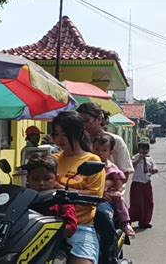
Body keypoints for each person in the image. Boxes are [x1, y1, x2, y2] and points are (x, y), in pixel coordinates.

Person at [52, 111, 106, 264]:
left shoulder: (92, 160)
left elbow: (94, 197)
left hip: (80, 226)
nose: (59, 139)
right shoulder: (52, 160)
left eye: (64, 134)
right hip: (48, 223)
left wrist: (61, 188)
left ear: (76, 133)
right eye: (56, 134)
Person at [92, 133, 135, 237]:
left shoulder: (111, 167)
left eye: (104, 150)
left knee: (119, 201)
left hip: (109, 194)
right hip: (92, 194)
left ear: (110, 152)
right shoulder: (89, 164)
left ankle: (125, 222)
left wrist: (118, 191)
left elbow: (119, 180)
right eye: (97, 150)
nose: (100, 153)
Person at [25, 153, 77, 238]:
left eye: (47, 179)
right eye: (35, 179)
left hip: (54, 246)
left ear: (56, 179)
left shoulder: (62, 200)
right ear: (27, 178)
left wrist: (49, 230)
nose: (41, 183)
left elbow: (70, 228)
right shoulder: (23, 198)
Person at [76, 103, 134, 179]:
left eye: (86, 120)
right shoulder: (77, 141)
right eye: (80, 121)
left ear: (99, 119)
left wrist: (107, 184)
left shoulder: (116, 141)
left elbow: (124, 173)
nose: (82, 124)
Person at [129, 142, 158, 229]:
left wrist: (154, 170)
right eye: (143, 148)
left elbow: (155, 168)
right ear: (139, 149)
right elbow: (130, 167)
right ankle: (128, 221)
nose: (144, 151)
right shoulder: (135, 157)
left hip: (147, 183)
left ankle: (145, 222)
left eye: (146, 149)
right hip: (137, 183)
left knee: (148, 203)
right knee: (137, 204)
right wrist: (139, 160)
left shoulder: (150, 159)